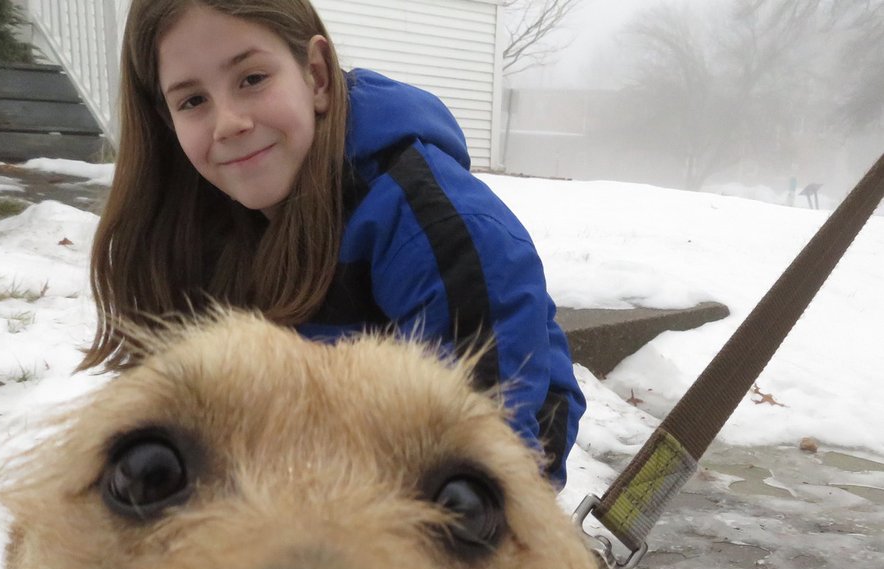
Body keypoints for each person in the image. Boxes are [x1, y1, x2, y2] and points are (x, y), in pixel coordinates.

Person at [83, 0, 585, 484]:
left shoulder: (430, 225)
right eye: (193, 101)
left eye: (252, 79)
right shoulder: (194, 215)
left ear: (317, 75)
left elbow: (485, 459)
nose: (229, 122)